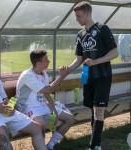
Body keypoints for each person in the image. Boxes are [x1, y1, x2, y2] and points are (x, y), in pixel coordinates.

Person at [63, 1, 118, 150]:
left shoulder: (102, 29)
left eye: (79, 16)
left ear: (87, 14)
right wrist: (67, 69)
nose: (77, 19)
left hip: (103, 77)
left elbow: (114, 52)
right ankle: (94, 143)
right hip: (88, 77)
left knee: (98, 110)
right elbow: (79, 59)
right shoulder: (80, 35)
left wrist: (96, 61)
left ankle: (95, 146)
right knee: (92, 110)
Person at [0, 50, 47, 150]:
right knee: (4, 133)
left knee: (37, 128)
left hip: (5, 111)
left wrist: (11, 108)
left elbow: (5, 99)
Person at [16, 50, 75, 150]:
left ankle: (50, 145)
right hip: (27, 107)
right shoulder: (27, 75)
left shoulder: (44, 74)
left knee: (71, 119)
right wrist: (62, 76)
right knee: (41, 125)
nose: (49, 61)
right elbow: (49, 89)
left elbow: (47, 95)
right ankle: (42, 147)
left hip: (42, 106)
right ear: (38, 63)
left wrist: (54, 111)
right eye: (46, 59)